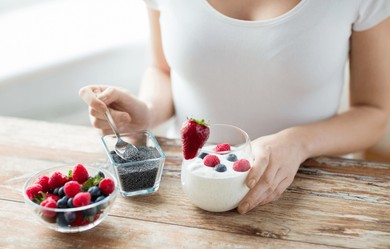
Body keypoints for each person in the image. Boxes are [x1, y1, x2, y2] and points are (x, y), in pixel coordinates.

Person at [79, 0, 390, 214]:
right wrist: (146, 112)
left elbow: (373, 112)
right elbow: (162, 70)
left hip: (314, 193)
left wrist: (299, 142)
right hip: (190, 186)